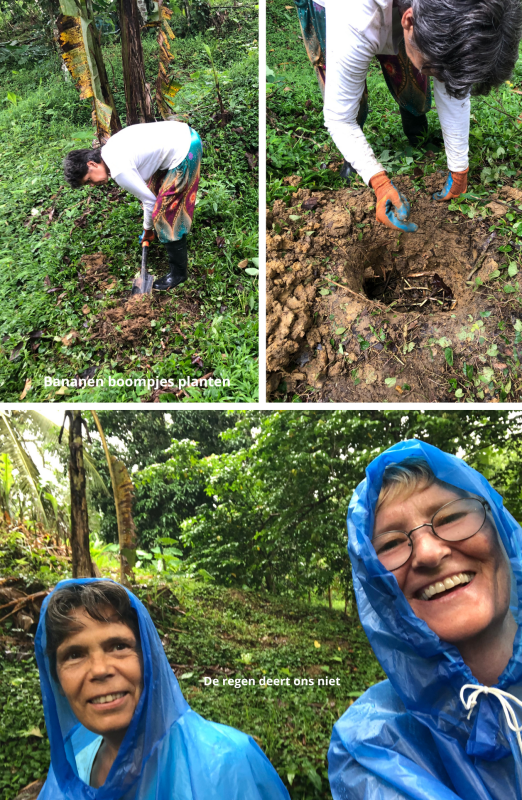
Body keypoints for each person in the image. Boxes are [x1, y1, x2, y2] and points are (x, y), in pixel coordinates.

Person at [329, 439, 522, 799]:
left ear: (501, 534)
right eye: (390, 544)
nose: (430, 553)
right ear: (377, 588)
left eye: (451, 517)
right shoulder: (373, 746)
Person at [35, 578, 290, 799]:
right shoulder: (75, 768)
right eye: (75, 654)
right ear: (56, 679)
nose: (100, 669)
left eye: (119, 646)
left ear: (149, 658)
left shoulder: (225, 761)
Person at [293, 0, 522, 232]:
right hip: (342, 9)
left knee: (417, 67)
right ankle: (353, 158)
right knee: (349, 95)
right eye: (434, 70)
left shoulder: (456, 11)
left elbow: (452, 77)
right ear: (409, 21)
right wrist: (379, 183)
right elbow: (339, 117)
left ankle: (415, 123)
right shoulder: (356, 19)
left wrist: (459, 168)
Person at [63, 121, 202, 291]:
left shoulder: (119, 170)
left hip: (186, 149)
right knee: (155, 192)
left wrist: (148, 230)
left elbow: (149, 202)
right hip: (183, 133)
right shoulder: (108, 150)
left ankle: (179, 273)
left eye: (89, 180)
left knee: (164, 212)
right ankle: (167, 236)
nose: (92, 185)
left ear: (91, 164)